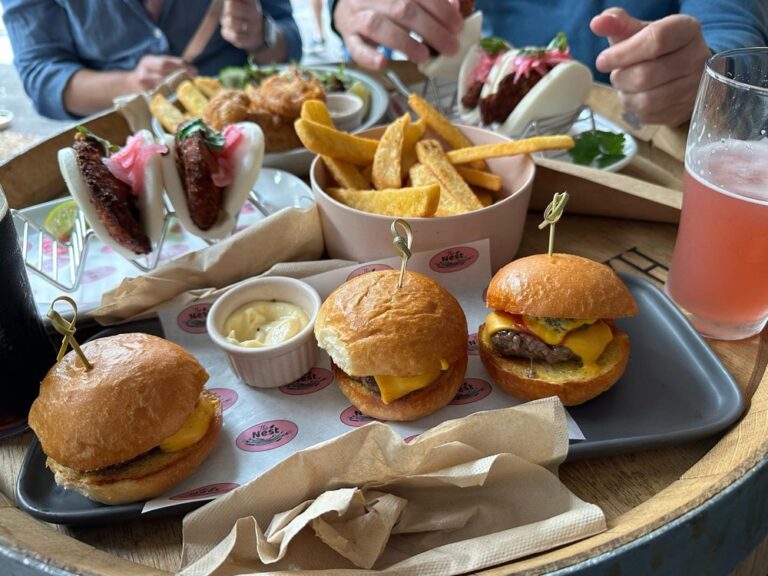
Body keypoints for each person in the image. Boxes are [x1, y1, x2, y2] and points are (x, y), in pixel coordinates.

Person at [331, 0, 768, 126]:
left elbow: (736, 32)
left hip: (634, 143)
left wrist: (710, 76)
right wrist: (349, 9)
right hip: (459, 115)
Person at [1, 0, 302, 120]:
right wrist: (132, 83)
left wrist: (262, 34)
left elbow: (290, 38)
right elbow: (41, 76)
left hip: (244, 124)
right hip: (118, 141)